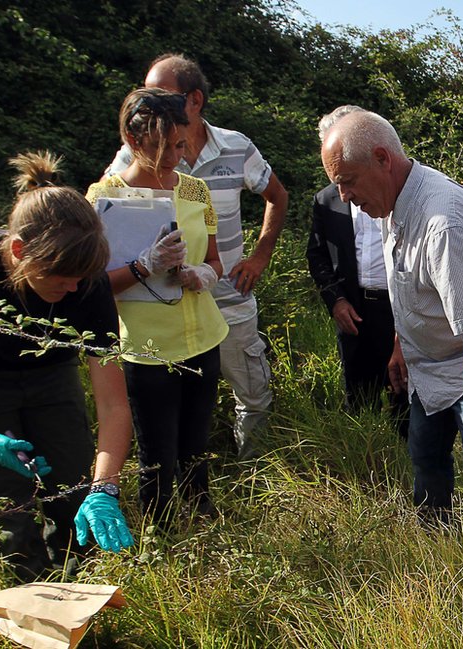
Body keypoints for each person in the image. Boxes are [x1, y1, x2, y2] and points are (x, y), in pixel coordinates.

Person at [0, 151, 135, 582]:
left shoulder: (86, 283)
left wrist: (104, 486)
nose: (72, 290)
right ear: (19, 252)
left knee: (73, 495)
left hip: (52, 379)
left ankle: (78, 601)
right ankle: (27, 601)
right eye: (60, 279)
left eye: (80, 280)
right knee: (4, 512)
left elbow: (113, 404)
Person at [320, 110, 463, 529]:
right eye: (337, 185)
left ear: (382, 158)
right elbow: (409, 287)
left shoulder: (444, 223)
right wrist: (401, 347)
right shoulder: (388, 201)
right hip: (429, 360)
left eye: (347, 181)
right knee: (426, 459)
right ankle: (436, 541)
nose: (344, 196)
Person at [105, 54, 288, 460]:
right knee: (167, 423)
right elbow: (108, 213)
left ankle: (250, 471)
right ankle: (175, 495)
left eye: (162, 94)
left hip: (228, 298)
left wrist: (259, 257)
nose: (150, 103)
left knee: (252, 396)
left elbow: (277, 196)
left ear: (195, 101)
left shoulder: (236, 146)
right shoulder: (131, 152)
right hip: (159, 317)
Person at [88, 87, 227, 523]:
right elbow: (92, 287)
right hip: (148, 350)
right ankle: (160, 534)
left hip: (203, 338)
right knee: (157, 455)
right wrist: (143, 266)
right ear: (132, 143)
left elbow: (216, 260)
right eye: (162, 148)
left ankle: (203, 520)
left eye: (181, 145)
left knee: (197, 445)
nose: (175, 157)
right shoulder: (103, 200)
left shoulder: (197, 190)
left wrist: (204, 275)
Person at [306, 105, 408, 438]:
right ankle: (363, 456)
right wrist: (335, 300)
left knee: (403, 390)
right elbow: (317, 255)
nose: (343, 190)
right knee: (358, 393)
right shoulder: (326, 201)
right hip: (353, 312)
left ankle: (406, 454)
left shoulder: (398, 192)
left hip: (397, 308)